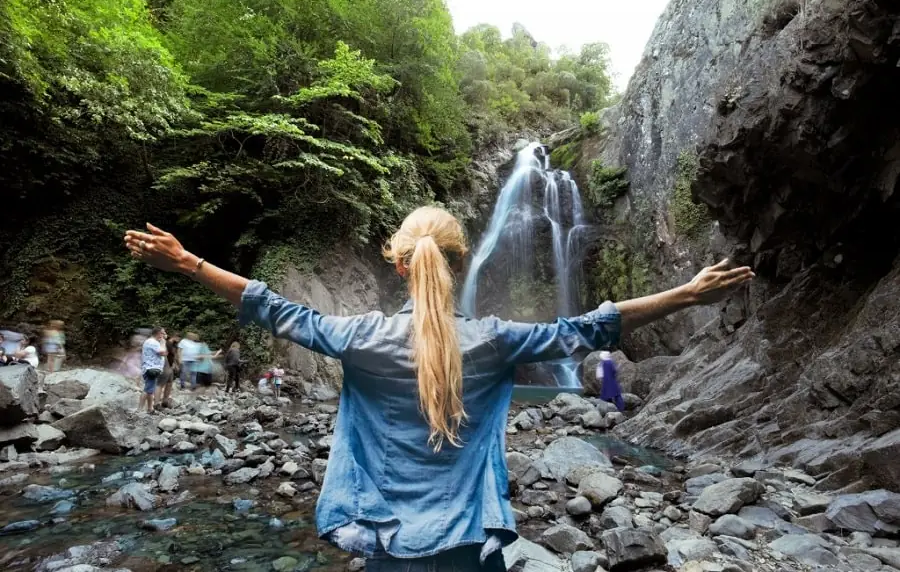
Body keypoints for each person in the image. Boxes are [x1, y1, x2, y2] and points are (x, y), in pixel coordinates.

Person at [125, 209, 753, 570]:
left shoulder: (359, 337)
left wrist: (187, 262)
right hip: (470, 543)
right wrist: (688, 293)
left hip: (388, 542)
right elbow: (588, 328)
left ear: (398, 265)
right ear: (455, 264)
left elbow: (277, 310)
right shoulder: (496, 340)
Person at [140, 327, 167, 413]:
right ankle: (139, 409)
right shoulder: (153, 342)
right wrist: (163, 343)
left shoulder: (150, 341)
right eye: (163, 333)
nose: (164, 334)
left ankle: (150, 409)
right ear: (159, 333)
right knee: (147, 389)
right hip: (151, 368)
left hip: (150, 368)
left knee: (150, 390)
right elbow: (163, 352)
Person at [158, 332, 181, 406]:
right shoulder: (167, 344)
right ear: (175, 336)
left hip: (171, 365)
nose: (179, 340)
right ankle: (157, 402)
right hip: (166, 365)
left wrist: (175, 364)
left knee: (169, 383)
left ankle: (165, 401)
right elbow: (166, 355)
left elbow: (174, 356)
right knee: (161, 384)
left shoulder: (173, 344)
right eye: (178, 338)